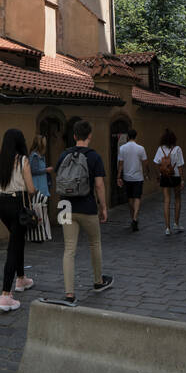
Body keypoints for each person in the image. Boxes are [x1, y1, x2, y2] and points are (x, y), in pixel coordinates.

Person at [57, 120, 111, 305]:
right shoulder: (94, 156)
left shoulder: (64, 154)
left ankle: (69, 294)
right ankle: (98, 281)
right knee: (94, 243)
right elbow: (99, 184)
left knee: (69, 249)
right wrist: (103, 207)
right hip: (87, 206)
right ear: (89, 136)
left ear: (74, 136)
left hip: (65, 206)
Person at [0, 128, 38, 311]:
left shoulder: (0, 161)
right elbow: (31, 189)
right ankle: (5, 296)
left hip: (3, 206)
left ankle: (21, 279)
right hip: (19, 205)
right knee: (13, 247)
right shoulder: (23, 161)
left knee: (17, 242)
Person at [154, 128, 185, 235]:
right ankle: (176, 223)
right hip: (175, 176)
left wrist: (160, 173)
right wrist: (182, 179)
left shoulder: (160, 149)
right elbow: (180, 165)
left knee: (166, 200)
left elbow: (157, 163)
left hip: (164, 176)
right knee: (177, 199)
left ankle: (167, 228)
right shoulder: (177, 149)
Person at [116, 127, 147, 232]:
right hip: (138, 177)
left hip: (127, 177)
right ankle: (135, 218)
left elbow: (120, 164)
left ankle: (133, 218)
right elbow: (144, 162)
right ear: (136, 136)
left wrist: (118, 176)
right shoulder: (141, 148)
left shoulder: (122, 148)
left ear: (128, 136)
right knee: (137, 197)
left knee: (130, 198)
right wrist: (146, 173)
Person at [27, 134, 52, 242]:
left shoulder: (40, 156)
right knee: (39, 212)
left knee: (43, 212)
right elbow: (33, 171)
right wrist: (46, 170)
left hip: (42, 186)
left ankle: (44, 234)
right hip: (38, 188)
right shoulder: (34, 156)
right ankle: (39, 234)